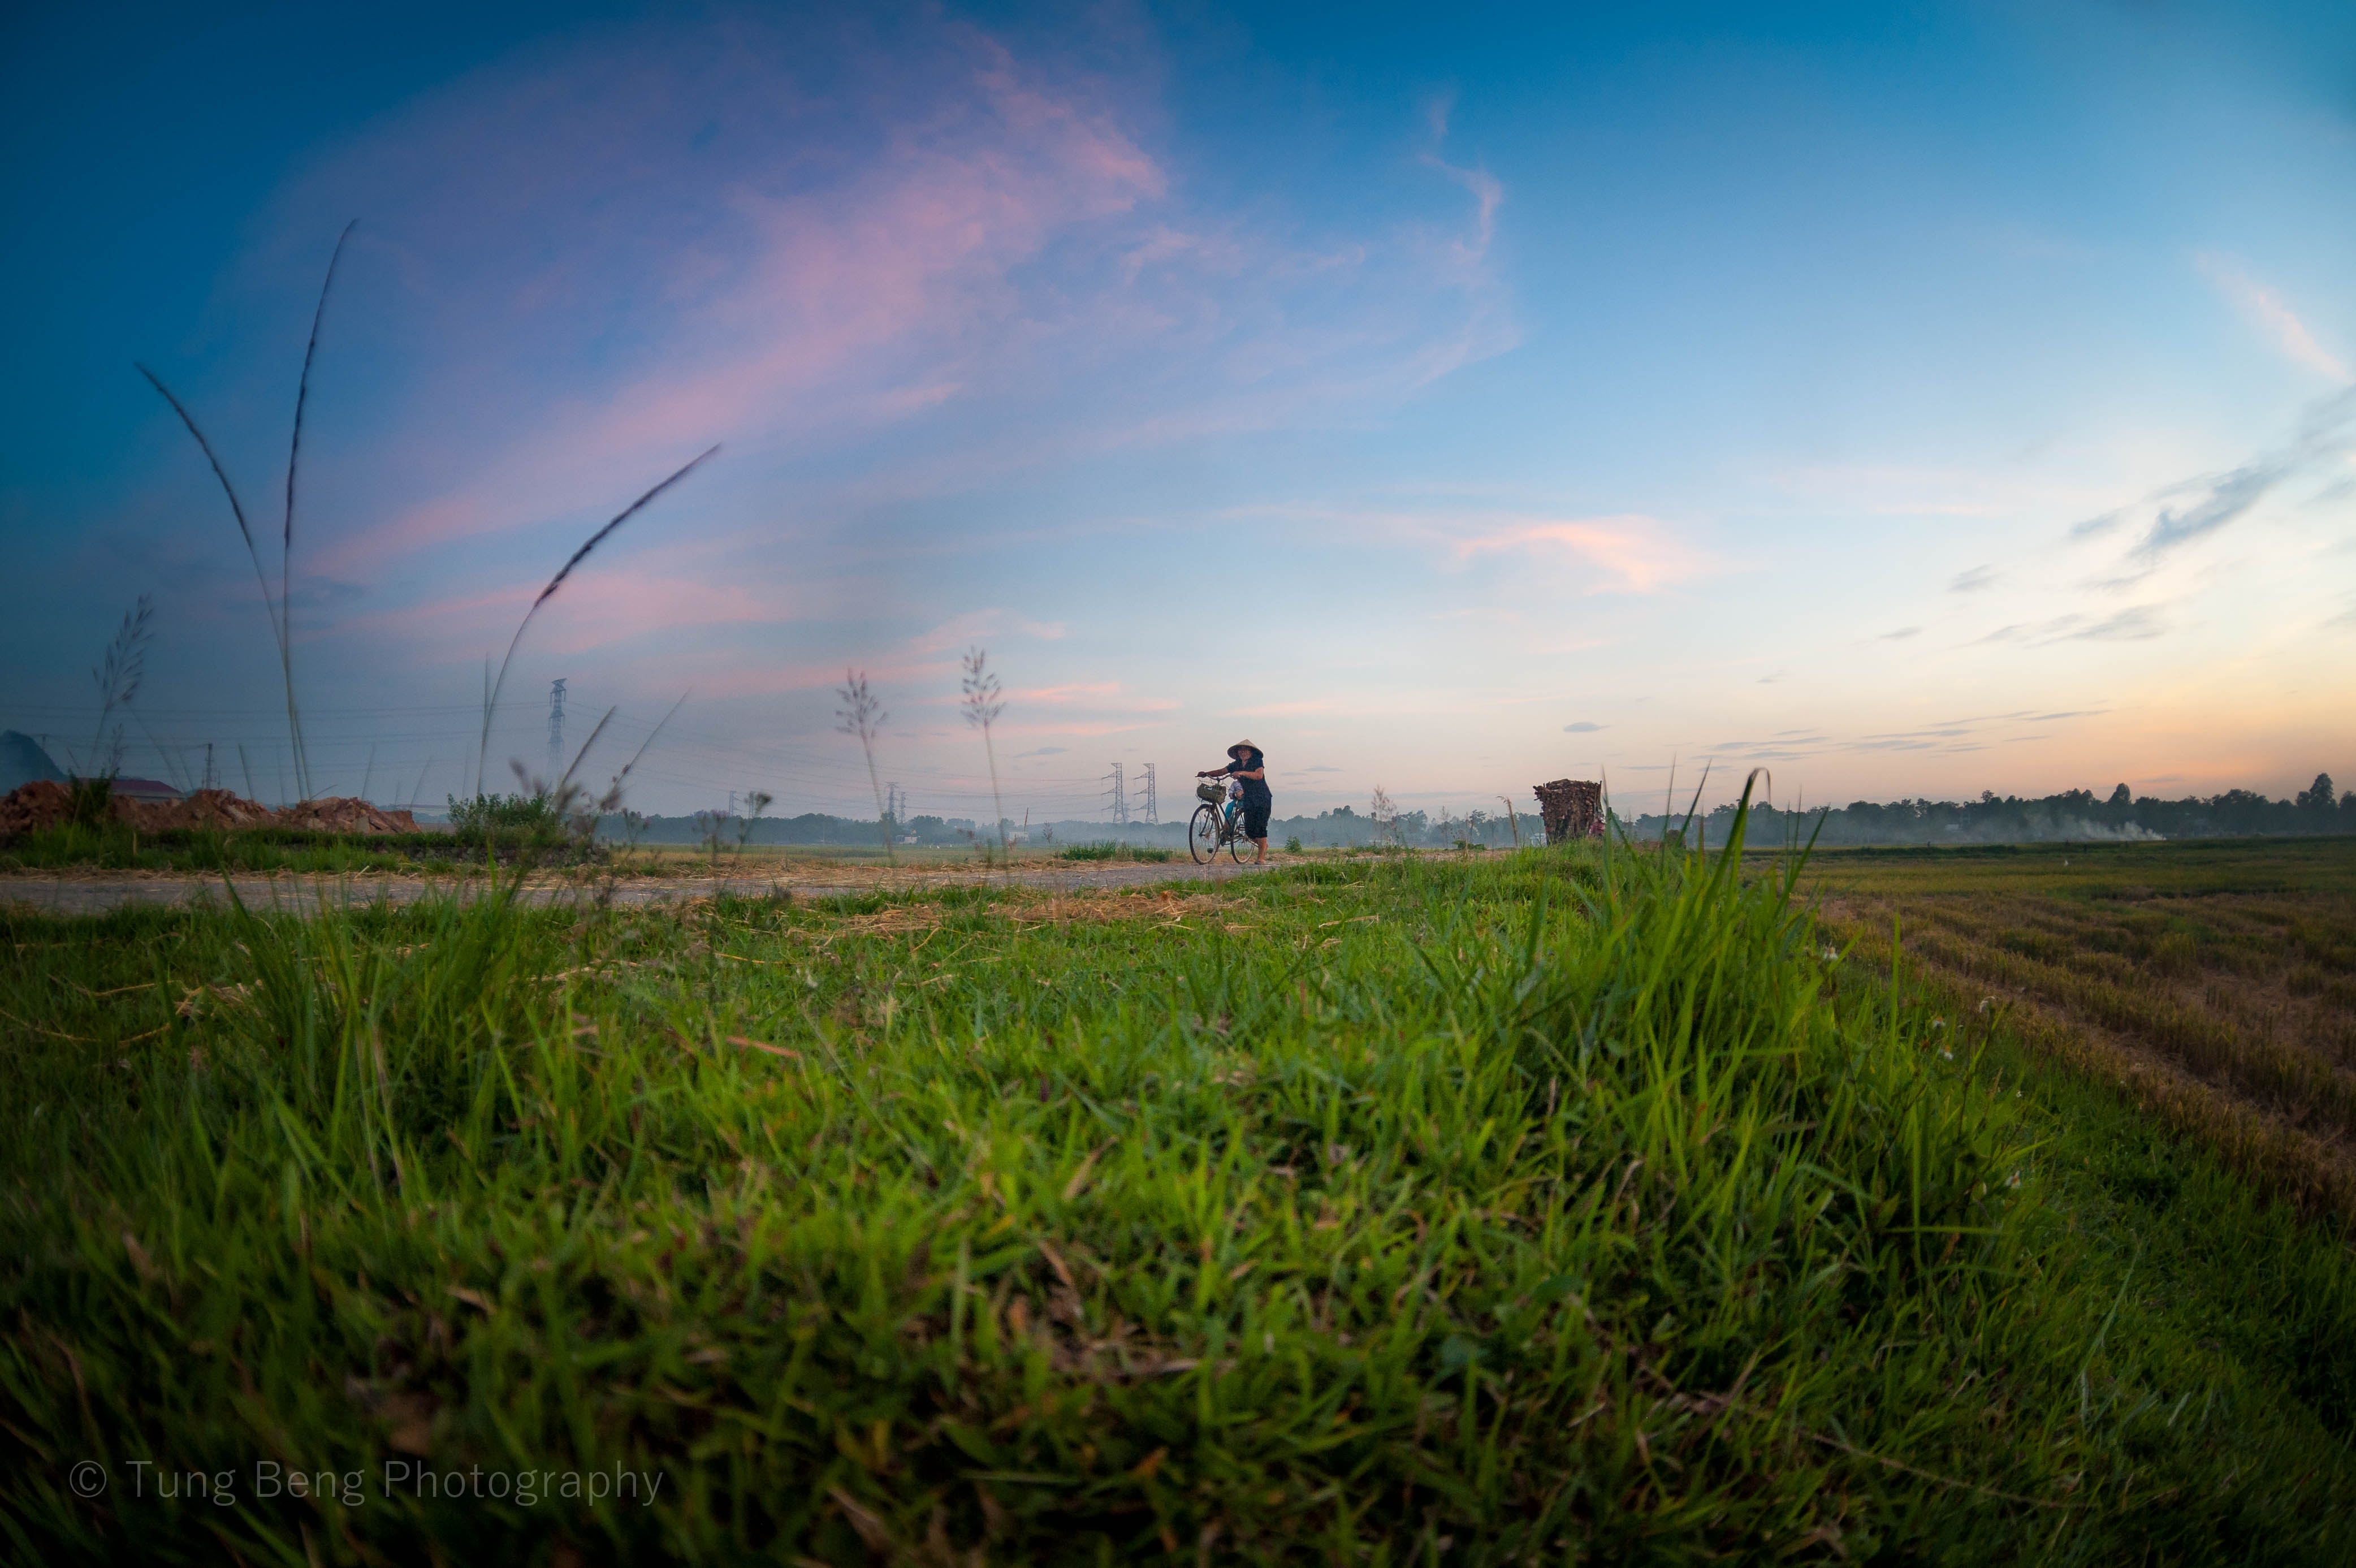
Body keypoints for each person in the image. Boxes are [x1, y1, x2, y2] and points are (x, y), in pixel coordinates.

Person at [1198, 740, 1272, 864]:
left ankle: (1261, 858)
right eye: (1240, 750)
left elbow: (1258, 775)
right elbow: (1222, 771)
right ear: (1238, 753)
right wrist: (1207, 773)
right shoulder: (1236, 764)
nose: (1243, 752)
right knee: (1250, 831)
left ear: (1251, 752)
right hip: (1248, 799)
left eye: (1245, 750)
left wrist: (1242, 773)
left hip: (1262, 798)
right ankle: (1263, 845)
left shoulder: (1257, 761)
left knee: (1260, 828)